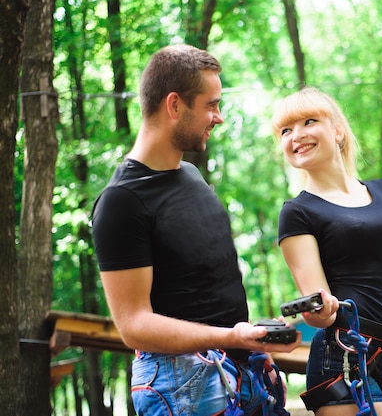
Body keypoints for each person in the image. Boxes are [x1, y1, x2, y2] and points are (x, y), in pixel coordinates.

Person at [91, 44, 300, 416]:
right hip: (179, 387)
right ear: (174, 105)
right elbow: (133, 325)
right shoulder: (121, 201)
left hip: (238, 370)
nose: (218, 117)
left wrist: (247, 339)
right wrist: (229, 336)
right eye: (211, 104)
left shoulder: (191, 175)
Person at [271, 87, 382, 416]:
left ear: (337, 130)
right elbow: (318, 305)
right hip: (344, 354)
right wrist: (318, 312)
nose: (297, 135)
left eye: (309, 121)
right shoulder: (297, 212)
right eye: (285, 130)